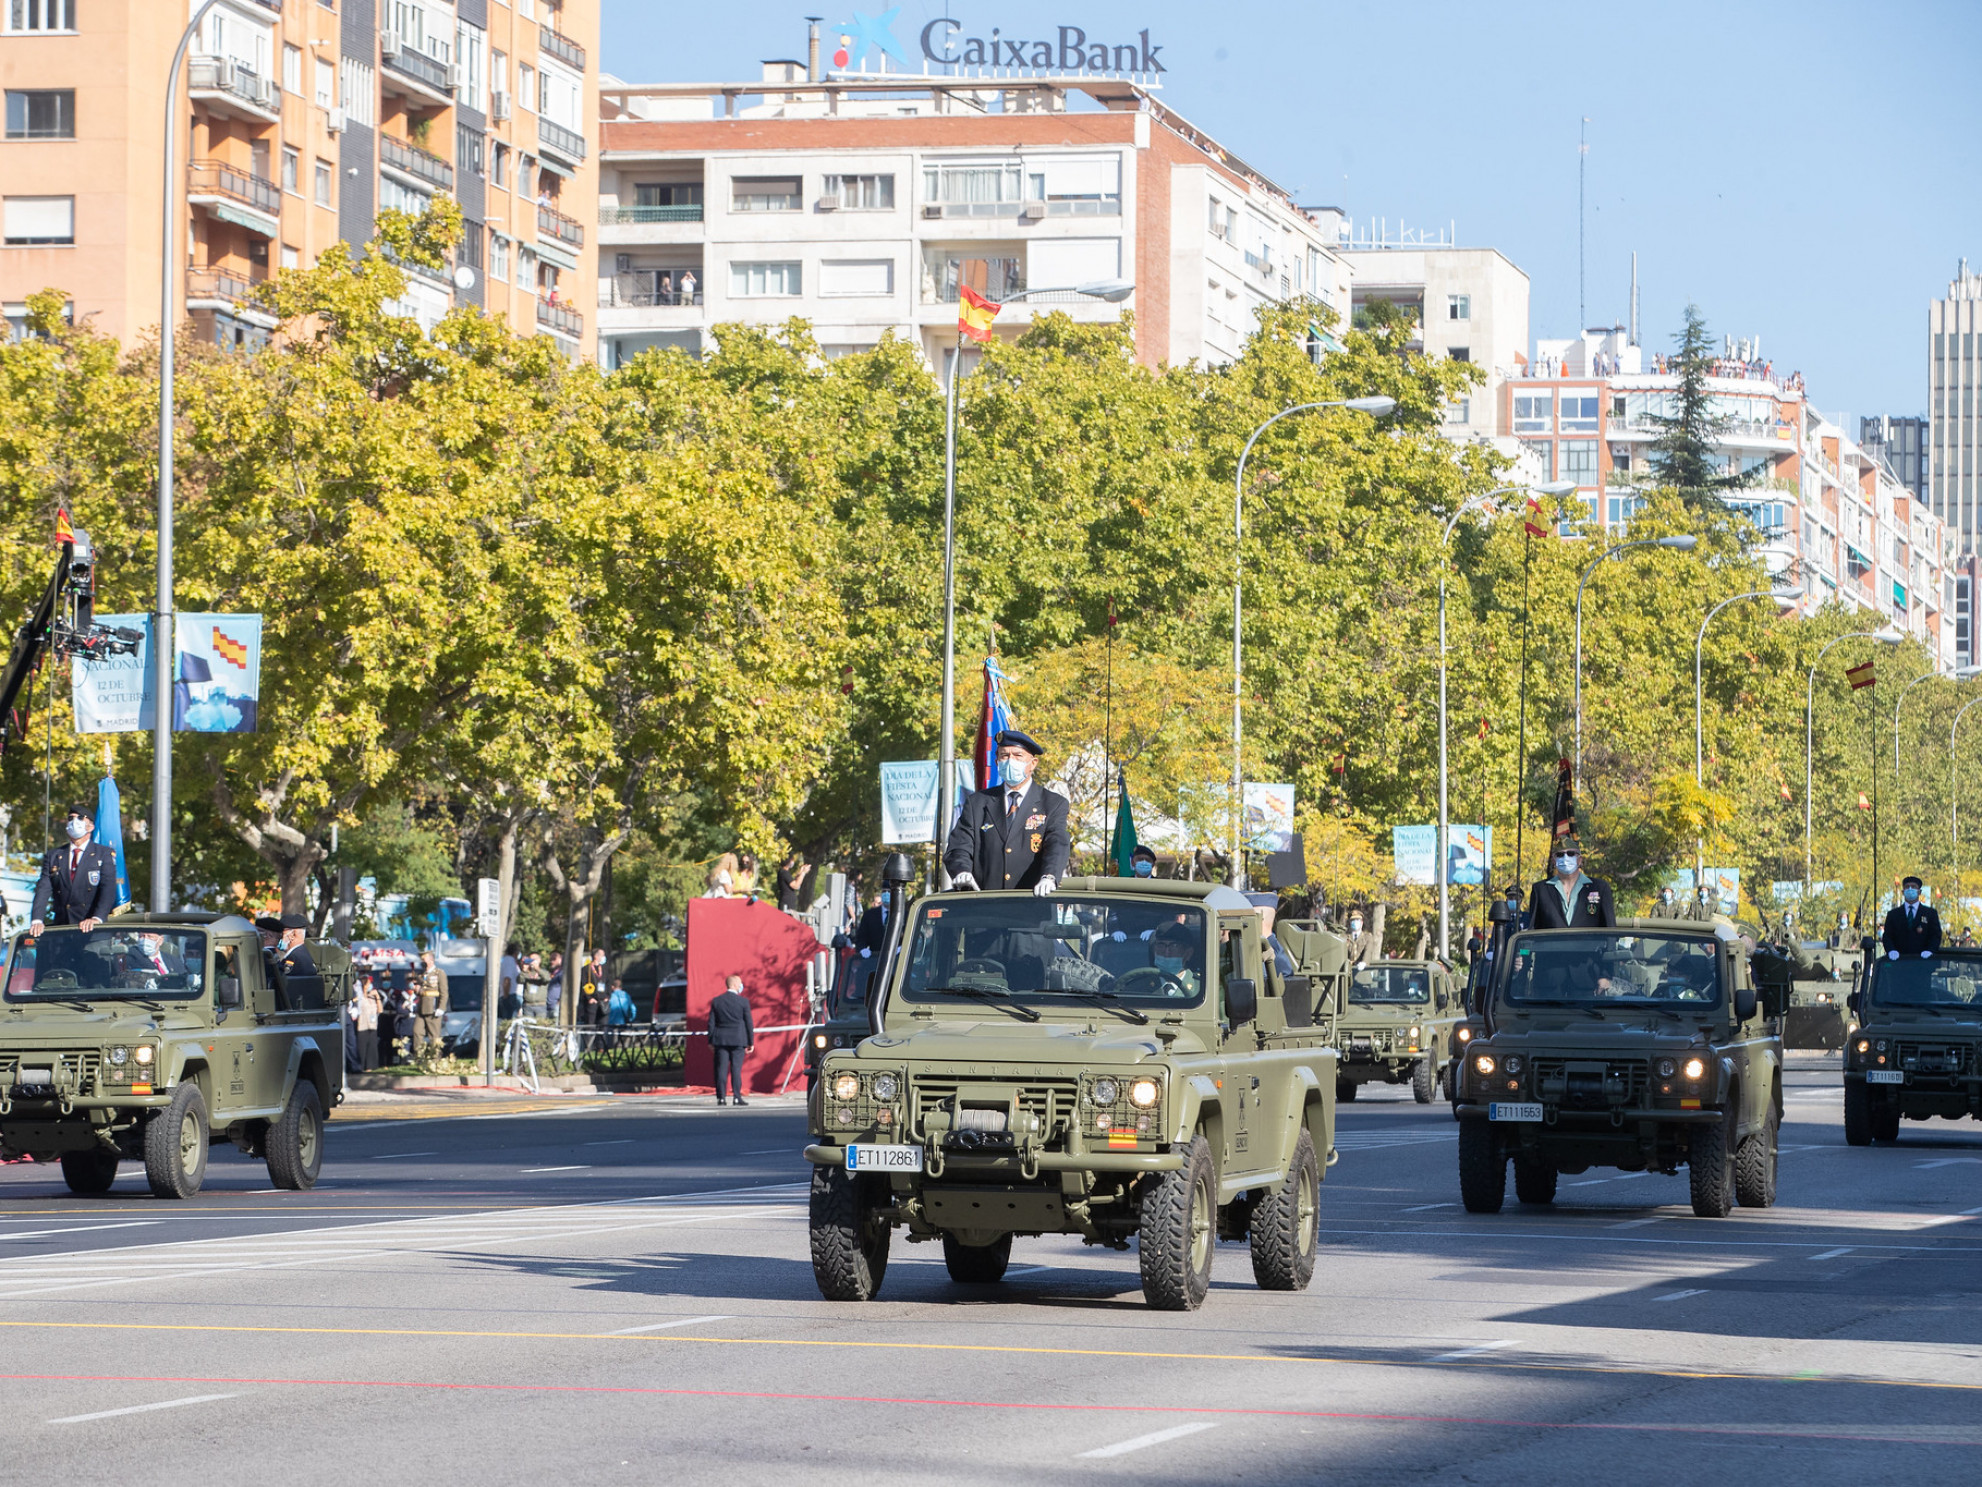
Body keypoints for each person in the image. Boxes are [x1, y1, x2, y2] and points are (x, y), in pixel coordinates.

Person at [942, 729, 1071, 895]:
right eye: (1004, 756)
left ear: (1033, 763)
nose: (1010, 761)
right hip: (985, 905)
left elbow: (1057, 843)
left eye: (1017, 756)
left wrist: (1049, 876)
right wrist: (961, 871)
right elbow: (959, 846)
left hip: (1034, 906)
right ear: (997, 762)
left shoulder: (1052, 804)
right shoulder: (977, 803)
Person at [29, 803, 119, 935]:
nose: (74, 822)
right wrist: (37, 920)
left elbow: (108, 888)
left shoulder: (103, 854)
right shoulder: (54, 855)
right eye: (70, 818)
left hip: (91, 932)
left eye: (80, 818)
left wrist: (96, 918)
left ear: (91, 826)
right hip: (62, 929)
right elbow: (43, 888)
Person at [1525, 837, 1617, 929]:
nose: (1565, 858)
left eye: (1571, 854)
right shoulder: (1540, 890)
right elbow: (1533, 929)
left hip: (1590, 943)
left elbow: (1610, 928)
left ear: (1579, 860)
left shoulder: (1599, 888)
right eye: (1560, 855)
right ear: (1553, 860)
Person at [708, 973, 754, 1106]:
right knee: (736, 1069)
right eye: (740, 984)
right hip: (738, 1040)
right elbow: (748, 1023)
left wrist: (710, 1040)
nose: (741, 986)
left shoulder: (717, 1001)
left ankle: (721, 1098)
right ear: (734, 985)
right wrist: (751, 1042)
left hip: (720, 1040)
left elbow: (711, 1023)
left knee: (721, 1069)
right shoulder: (743, 1002)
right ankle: (736, 1096)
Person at [1882, 875, 1942, 961]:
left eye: (1913, 887)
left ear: (1919, 892)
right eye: (1907, 887)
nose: (1910, 889)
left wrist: (1930, 951)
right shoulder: (1893, 914)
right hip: (1899, 962)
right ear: (1903, 892)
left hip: (1923, 962)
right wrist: (1891, 950)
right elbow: (1887, 936)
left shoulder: (1930, 914)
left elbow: (1935, 935)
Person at [413, 950, 447, 1056]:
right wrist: (417, 990)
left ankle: (435, 1059)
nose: (422, 961)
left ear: (431, 960)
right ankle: (419, 1058)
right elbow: (420, 991)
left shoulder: (439, 973)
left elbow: (444, 992)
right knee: (417, 1031)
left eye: (425, 958)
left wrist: (441, 1008)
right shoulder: (421, 975)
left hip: (433, 1007)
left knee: (434, 1035)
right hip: (421, 1008)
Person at [355, 975, 382, 1071]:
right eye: (369, 984)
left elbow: (380, 1010)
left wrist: (377, 996)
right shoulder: (359, 998)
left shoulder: (373, 997)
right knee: (362, 1049)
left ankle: (371, 1067)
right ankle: (360, 1067)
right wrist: (364, 992)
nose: (371, 985)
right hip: (362, 1026)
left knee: (372, 1048)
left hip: (373, 1026)